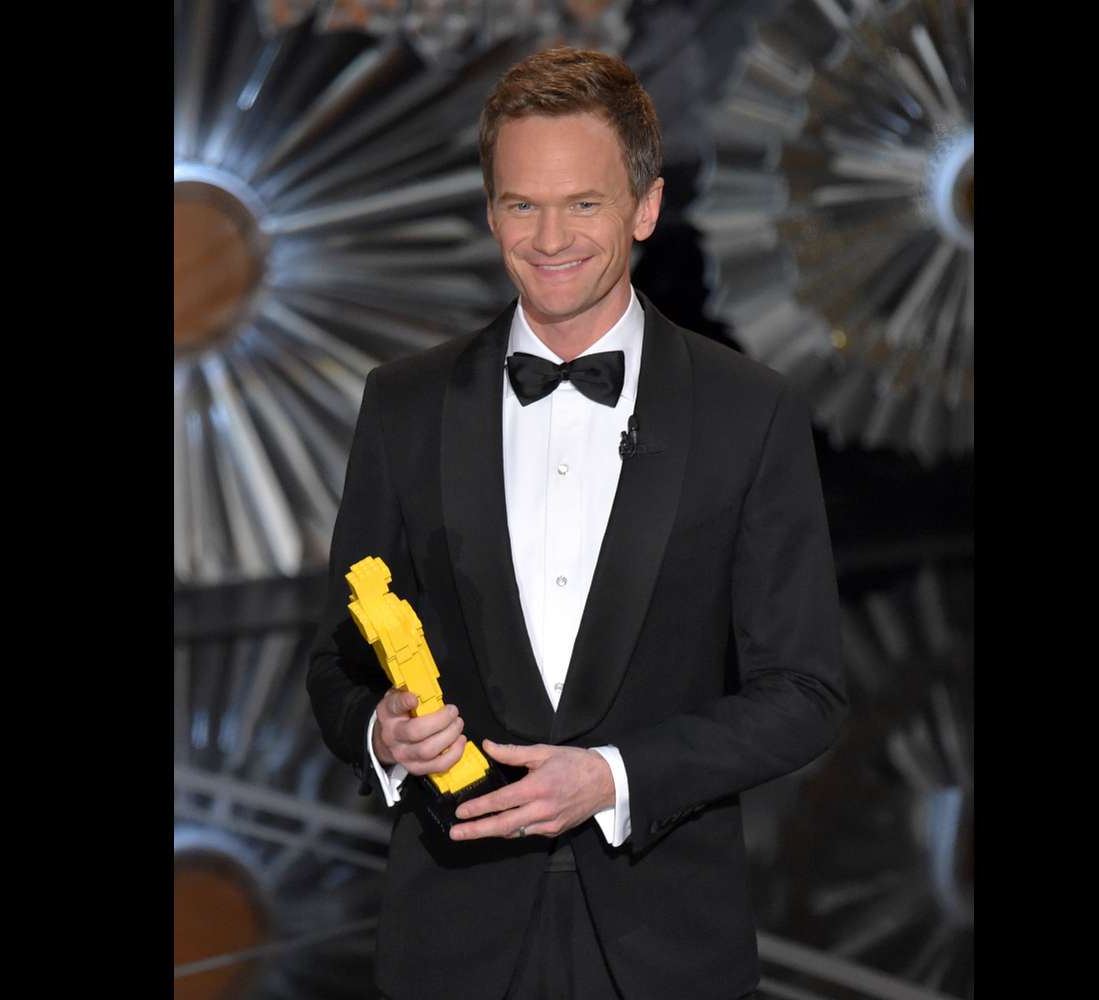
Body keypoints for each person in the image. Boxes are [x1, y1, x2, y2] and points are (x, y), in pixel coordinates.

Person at [307, 46, 848, 1000]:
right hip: (448, 947)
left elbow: (804, 691)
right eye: (523, 203)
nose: (550, 236)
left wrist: (614, 778)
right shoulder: (403, 403)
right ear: (490, 212)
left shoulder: (747, 411)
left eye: (584, 203)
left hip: (671, 947)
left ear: (644, 206)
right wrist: (384, 735)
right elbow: (336, 669)